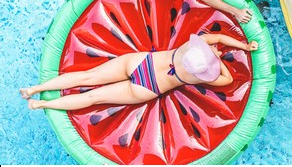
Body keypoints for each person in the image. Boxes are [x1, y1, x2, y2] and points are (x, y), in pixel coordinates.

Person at [20, 34, 258, 110]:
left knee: (88, 77)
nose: (216, 50)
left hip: (140, 63)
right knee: (94, 98)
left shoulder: (187, 47)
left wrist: (216, 51)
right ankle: (41, 105)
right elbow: (227, 80)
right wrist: (218, 62)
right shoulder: (197, 75)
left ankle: (35, 89)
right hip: (147, 87)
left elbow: (216, 38)